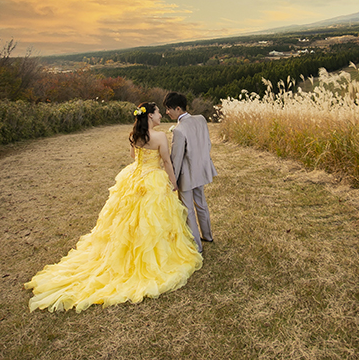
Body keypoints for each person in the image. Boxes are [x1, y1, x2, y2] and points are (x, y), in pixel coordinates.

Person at [24, 102, 202, 312]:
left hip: (135, 177)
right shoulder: (161, 137)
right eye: (158, 112)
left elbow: (133, 157)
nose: (161, 115)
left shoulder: (134, 135)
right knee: (152, 218)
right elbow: (166, 162)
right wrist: (172, 183)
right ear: (150, 116)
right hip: (152, 178)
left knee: (128, 217)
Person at [164, 92, 216, 254]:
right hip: (201, 170)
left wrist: (172, 180)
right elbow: (207, 144)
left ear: (178, 109)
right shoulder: (201, 119)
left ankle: (196, 246)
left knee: (188, 210)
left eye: (168, 109)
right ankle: (207, 236)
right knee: (201, 204)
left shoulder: (179, 130)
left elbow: (176, 159)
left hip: (187, 175)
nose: (167, 112)